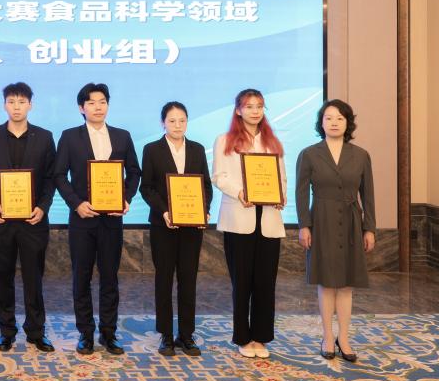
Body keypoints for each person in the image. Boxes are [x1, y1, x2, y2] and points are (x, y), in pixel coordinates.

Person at [54, 82, 141, 356]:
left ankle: (109, 333)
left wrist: (126, 198)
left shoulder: (122, 136)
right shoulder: (70, 137)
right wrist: (76, 203)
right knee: (81, 278)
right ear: (82, 108)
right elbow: (59, 175)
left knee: (110, 278)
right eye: (91, 103)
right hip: (82, 219)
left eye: (102, 102)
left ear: (108, 105)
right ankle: (86, 333)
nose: (98, 107)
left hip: (112, 220)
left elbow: (134, 172)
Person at [0, 82, 56, 353]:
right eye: (11, 101)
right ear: (4, 105)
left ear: (30, 105)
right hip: (2, 219)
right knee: (3, 276)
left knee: (34, 278)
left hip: (33, 220)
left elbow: (51, 177)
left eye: (22, 102)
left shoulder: (44, 137)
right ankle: (6, 330)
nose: (16, 107)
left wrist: (43, 207)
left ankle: (36, 331)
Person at [295, 99, 376, 363]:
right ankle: (328, 337)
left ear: (348, 123)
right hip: (322, 221)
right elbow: (300, 193)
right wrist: (304, 225)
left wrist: (369, 228)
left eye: (340, 118)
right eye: (328, 118)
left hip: (352, 222)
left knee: (347, 283)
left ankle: (345, 338)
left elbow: (368, 195)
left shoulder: (361, 155)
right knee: (327, 282)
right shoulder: (309, 154)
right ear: (321, 123)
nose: (334, 123)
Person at [212, 88, 286, 359]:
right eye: (249, 106)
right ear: (238, 110)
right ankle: (243, 338)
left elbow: (281, 177)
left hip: (268, 220)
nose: (255, 111)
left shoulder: (272, 142)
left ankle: (261, 337)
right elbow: (219, 177)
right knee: (241, 282)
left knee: (266, 282)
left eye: (259, 106)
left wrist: (281, 195)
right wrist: (240, 192)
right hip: (238, 219)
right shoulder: (224, 140)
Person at [139, 102, 212, 357]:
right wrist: (164, 211)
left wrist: (204, 209)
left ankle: (186, 335)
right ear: (163, 123)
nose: (177, 125)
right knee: (164, 279)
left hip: (192, 226)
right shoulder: (152, 150)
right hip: (163, 225)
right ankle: (166, 335)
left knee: (188, 279)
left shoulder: (197, 149)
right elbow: (147, 187)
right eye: (172, 121)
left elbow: (206, 186)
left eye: (182, 120)